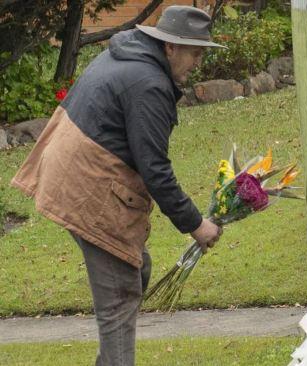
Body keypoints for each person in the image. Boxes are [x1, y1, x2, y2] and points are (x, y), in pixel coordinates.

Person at [11, 6, 225, 365]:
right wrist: (195, 225)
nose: (199, 62)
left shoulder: (128, 54)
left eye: (202, 53)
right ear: (170, 47)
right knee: (121, 299)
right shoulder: (148, 83)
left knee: (136, 269)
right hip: (86, 186)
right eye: (195, 53)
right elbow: (155, 169)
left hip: (69, 174)